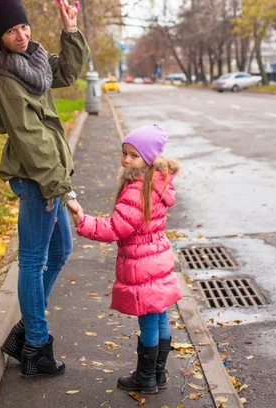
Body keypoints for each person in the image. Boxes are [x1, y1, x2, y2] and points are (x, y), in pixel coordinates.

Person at [0, 0, 89, 378]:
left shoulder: (31, 60)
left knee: (59, 252)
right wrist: (61, 188)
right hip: (37, 176)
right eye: (10, 30)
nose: (20, 35)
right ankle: (36, 345)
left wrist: (69, 28)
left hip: (48, 174)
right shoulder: (1, 73)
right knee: (35, 260)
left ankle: (26, 329)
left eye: (23, 25)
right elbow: (28, 134)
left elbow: (69, 74)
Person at [66, 123, 182, 394]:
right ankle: (157, 374)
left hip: (142, 262)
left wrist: (82, 219)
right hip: (157, 257)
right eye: (124, 153)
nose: (126, 159)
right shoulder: (159, 182)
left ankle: (145, 379)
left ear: (149, 158)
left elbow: (116, 228)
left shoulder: (137, 189)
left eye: (133, 155)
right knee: (160, 314)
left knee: (149, 320)